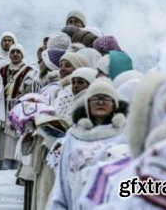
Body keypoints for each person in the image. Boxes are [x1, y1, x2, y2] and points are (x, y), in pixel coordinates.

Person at [50, 78, 128, 209]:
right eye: (95, 98)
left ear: (115, 105)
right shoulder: (74, 135)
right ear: (87, 104)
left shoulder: (124, 134)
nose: (101, 102)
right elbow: (62, 180)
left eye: (106, 98)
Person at [0, 44, 36, 169]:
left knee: (16, 132)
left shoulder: (28, 70)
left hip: (19, 107)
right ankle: (4, 161)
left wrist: (20, 97)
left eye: (17, 52)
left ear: (22, 55)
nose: (15, 54)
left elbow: (30, 88)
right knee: (4, 135)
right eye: (12, 52)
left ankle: (16, 161)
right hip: (3, 105)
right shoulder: (2, 70)